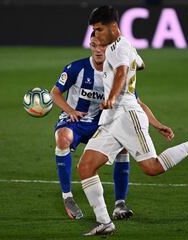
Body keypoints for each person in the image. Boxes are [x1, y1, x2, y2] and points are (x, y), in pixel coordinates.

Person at [77, 5, 188, 236]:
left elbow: (120, 73)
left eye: (99, 30)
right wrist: (136, 65)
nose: (96, 35)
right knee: (86, 166)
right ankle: (105, 222)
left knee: (152, 167)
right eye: (94, 31)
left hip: (127, 113)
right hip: (110, 120)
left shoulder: (119, 48)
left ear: (113, 27)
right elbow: (140, 63)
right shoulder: (122, 47)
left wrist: (111, 96)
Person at [52, 32, 147, 220]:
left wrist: (158, 124)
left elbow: (136, 102)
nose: (97, 50)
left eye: (102, 46)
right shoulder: (76, 68)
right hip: (76, 122)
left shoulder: (118, 72)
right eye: (93, 45)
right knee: (62, 137)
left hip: (102, 123)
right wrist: (70, 110)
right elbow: (55, 93)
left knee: (123, 147)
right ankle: (68, 197)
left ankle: (120, 204)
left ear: (110, 48)